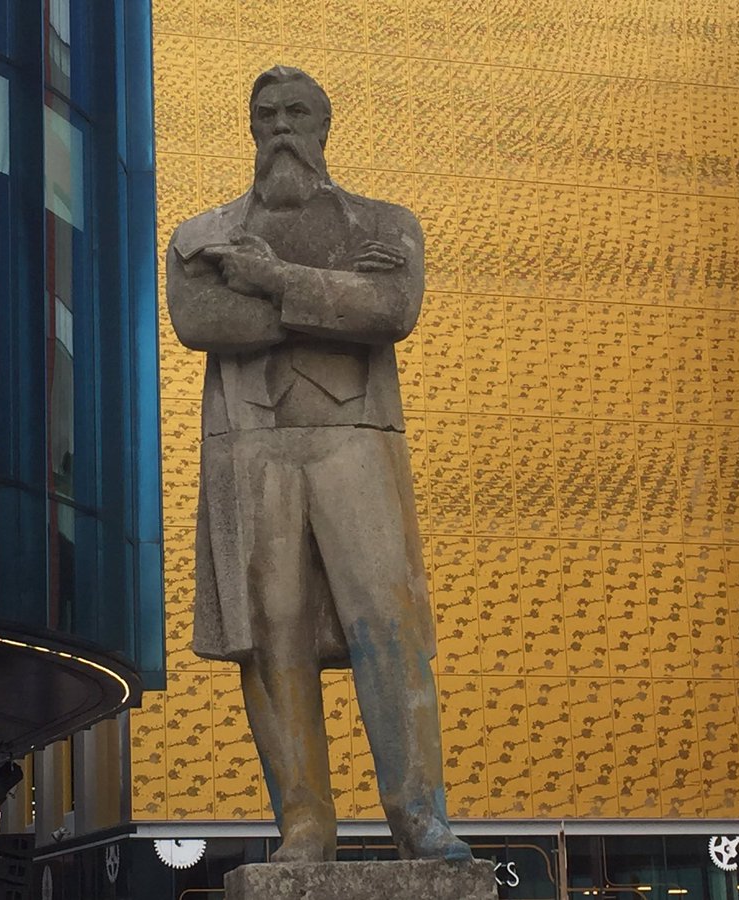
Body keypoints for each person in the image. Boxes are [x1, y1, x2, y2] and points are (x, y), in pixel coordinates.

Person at [166, 66, 472, 863]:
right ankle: (303, 824)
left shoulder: (385, 224)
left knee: (388, 626)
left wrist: (272, 280)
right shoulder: (200, 236)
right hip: (251, 445)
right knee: (274, 636)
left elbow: (391, 310)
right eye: (266, 113)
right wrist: (334, 300)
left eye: (297, 112)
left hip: (356, 440)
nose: (281, 126)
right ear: (250, 127)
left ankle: (419, 817)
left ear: (324, 126)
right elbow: (203, 321)